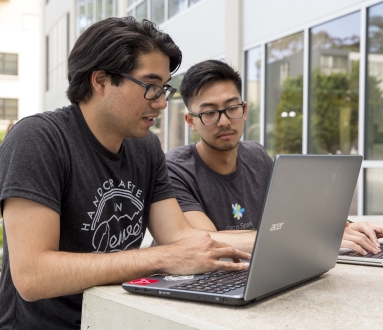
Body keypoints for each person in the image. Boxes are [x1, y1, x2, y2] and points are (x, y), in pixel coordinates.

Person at [0, 18, 252, 329]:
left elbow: (181, 237)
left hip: (115, 318)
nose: (161, 103)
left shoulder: (145, 146)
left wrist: (279, 241)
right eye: (150, 87)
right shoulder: (39, 139)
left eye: (164, 89)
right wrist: (162, 258)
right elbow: (32, 275)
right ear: (101, 80)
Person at [165, 59, 383, 256]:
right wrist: (306, 238)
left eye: (232, 107)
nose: (224, 121)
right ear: (190, 121)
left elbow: (298, 211)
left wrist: (344, 228)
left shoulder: (256, 155)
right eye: (209, 112)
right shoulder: (175, 169)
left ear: (244, 109)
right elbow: (208, 241)